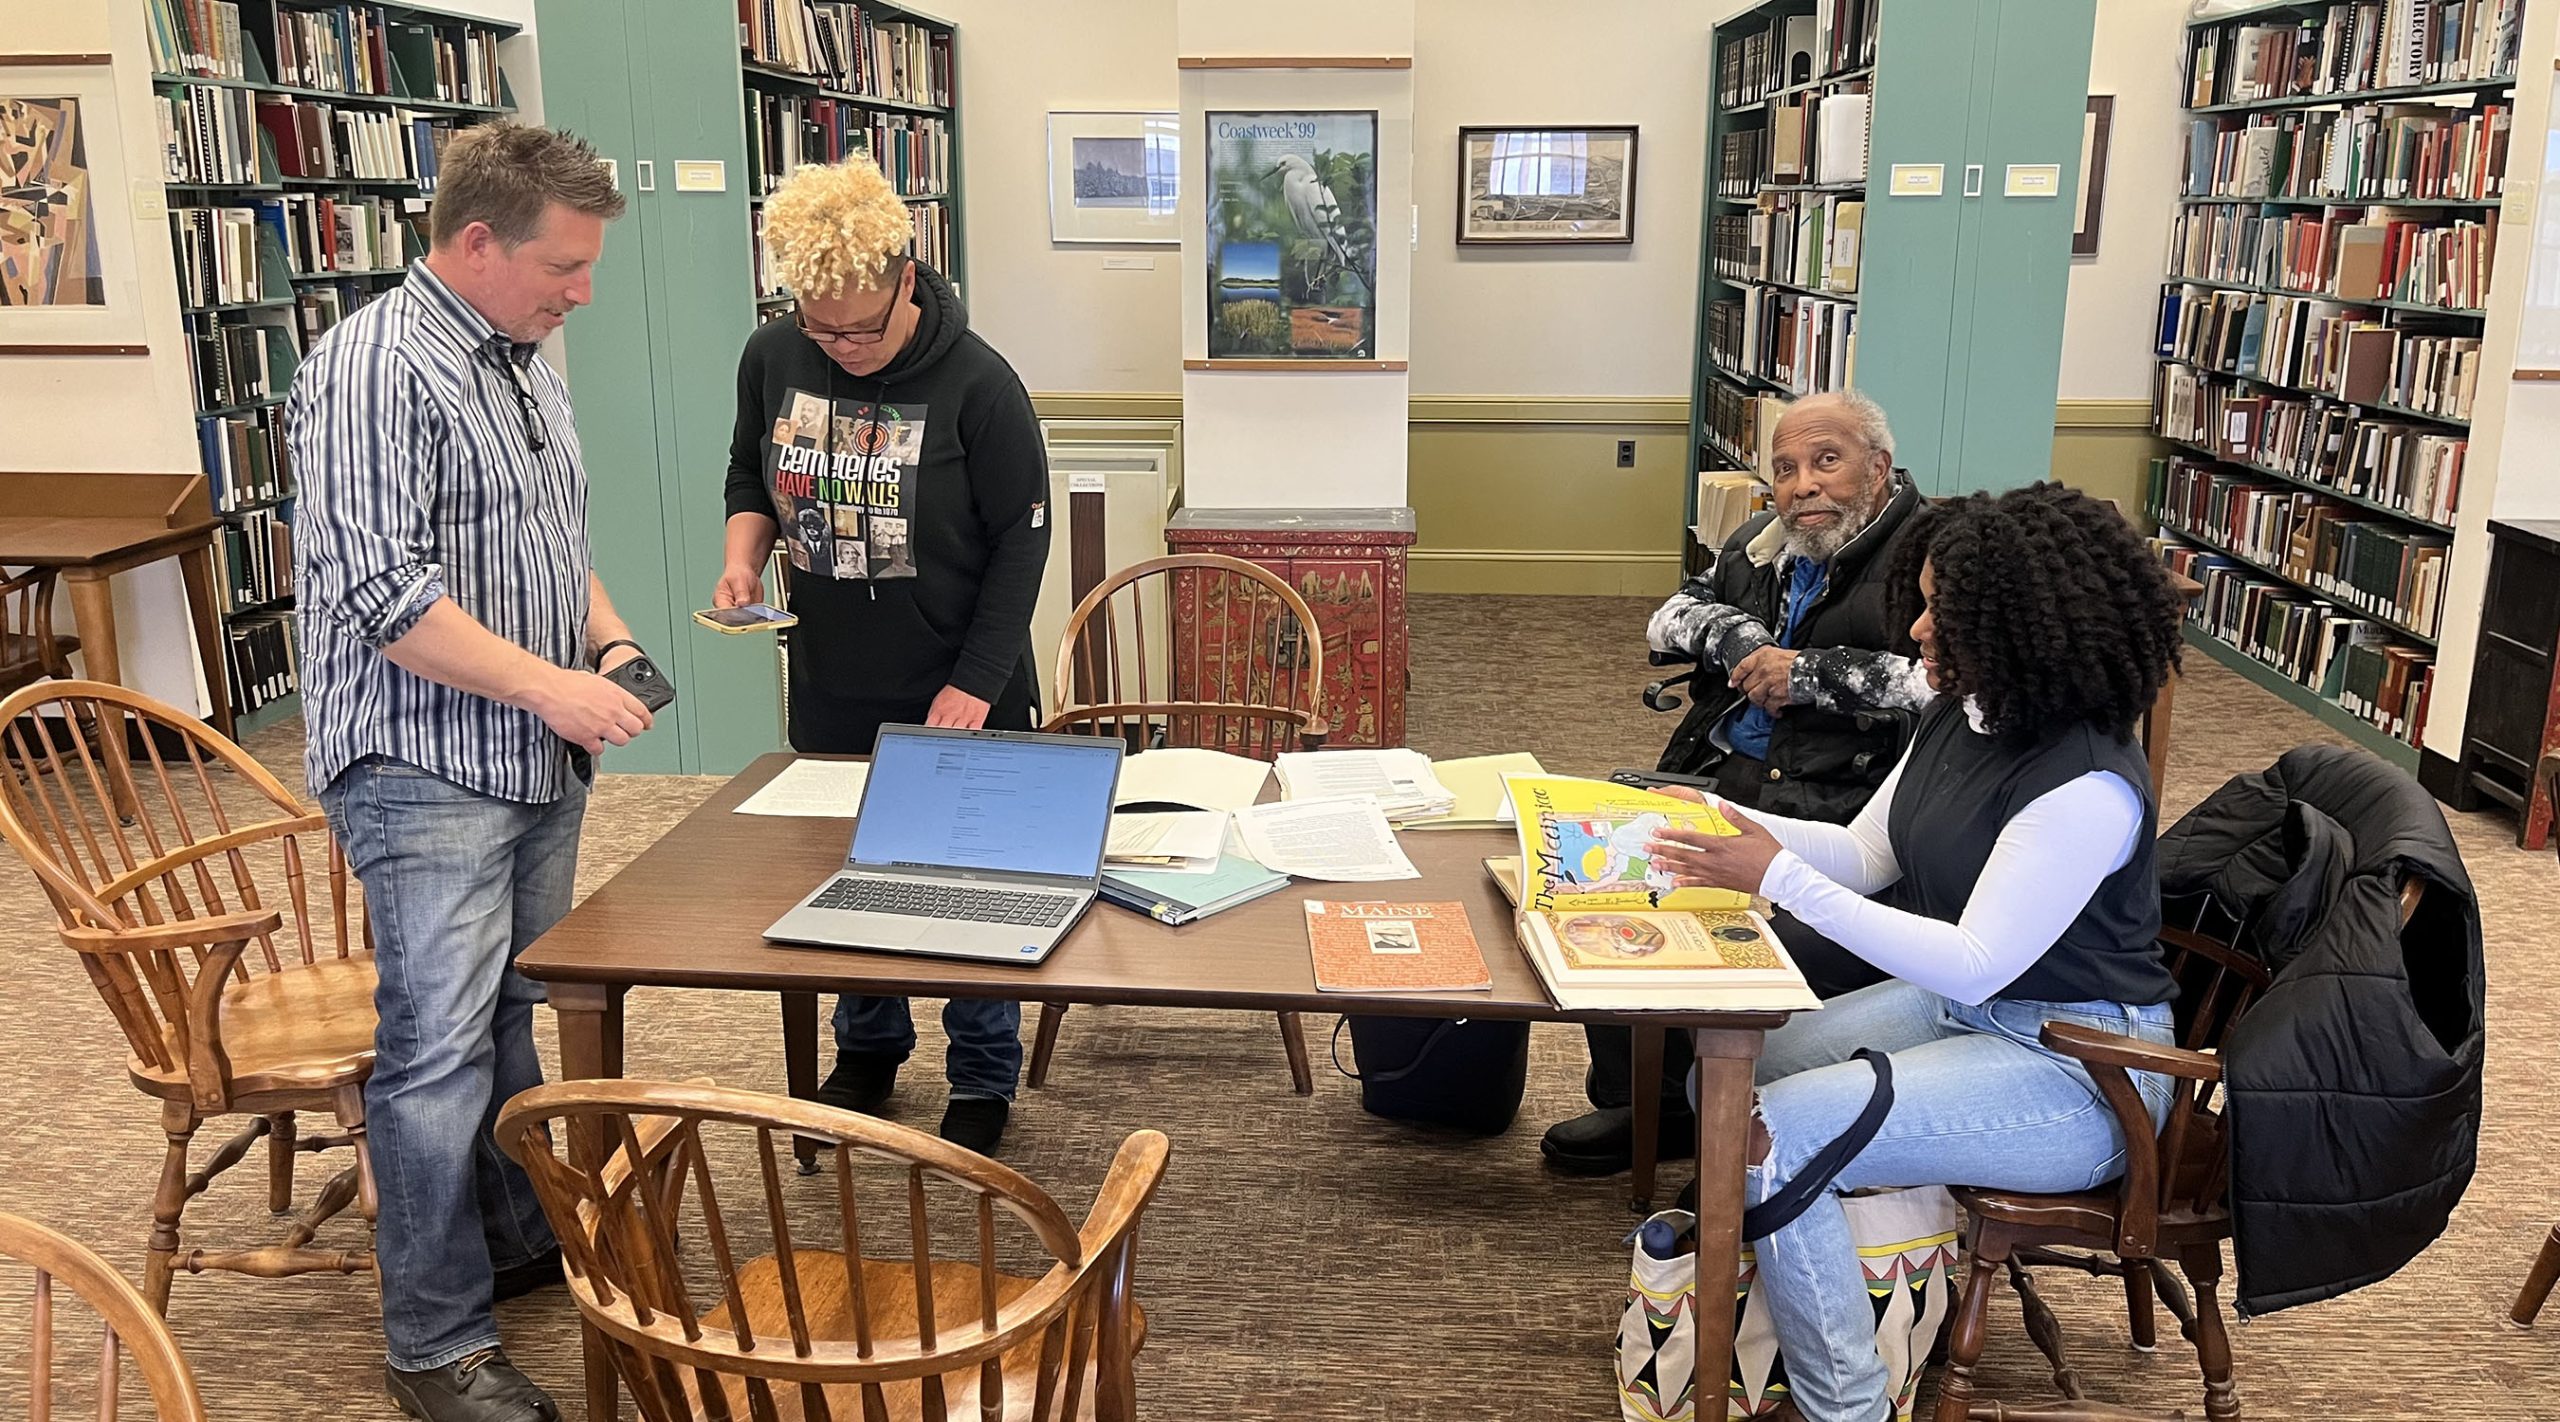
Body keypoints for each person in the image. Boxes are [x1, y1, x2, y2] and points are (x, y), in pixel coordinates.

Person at [1648, 483, 2187, 1422]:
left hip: (2081, 1066)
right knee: (1726, 1076)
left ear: (2023, 627)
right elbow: (1867, 853)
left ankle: (1844, 1405)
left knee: (1774, 1134)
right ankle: (1811, 1299)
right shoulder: (1964, 709)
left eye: (1947, 611)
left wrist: (1773, 874)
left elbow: (1975, 958)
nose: (1920, 628)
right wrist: (1724, 822)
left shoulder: (2087, 783)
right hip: (1970, 1018)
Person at [290, 125, 647, 1422]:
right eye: (565, 263)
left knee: (509, 1011)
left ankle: (505, 1238)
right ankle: (432, 1343)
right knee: (434, 1049)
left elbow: (555, 536)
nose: (584, 290)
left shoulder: (527, 355)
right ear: (478, 240)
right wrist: (553, 682)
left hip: (532, 747)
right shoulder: (373, 369)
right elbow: (386, 596)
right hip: (422, 762)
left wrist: (601, 633)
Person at [715, 156, 1050, 1154]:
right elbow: (749, 470)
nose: (842, 347)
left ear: (908, 279)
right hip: (832, 680)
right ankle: (866, 1051)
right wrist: (744, 559)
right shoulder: (772, 356)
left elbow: (1021, 543)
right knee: (844, 876)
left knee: (969, 894)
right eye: (821, 329)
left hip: (959, 680)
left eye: (862, 328)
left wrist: (973, 687)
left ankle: (982, 1078)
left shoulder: (979, 383)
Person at [1541, 390, 1929, 1177]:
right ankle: (1647, 1105)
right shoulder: (1764, 540)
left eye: (1827, 462)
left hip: (1845, 798)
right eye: (1785, 470)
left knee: (1722, 941)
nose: (1802, 487)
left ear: (1879, 468)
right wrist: (1738, 633)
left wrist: (1815, 675)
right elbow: (1669, 618)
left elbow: (1945, 684)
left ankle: (1719, 1113)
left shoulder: (1928, 556)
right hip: (1731, 772)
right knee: (1592, 880)